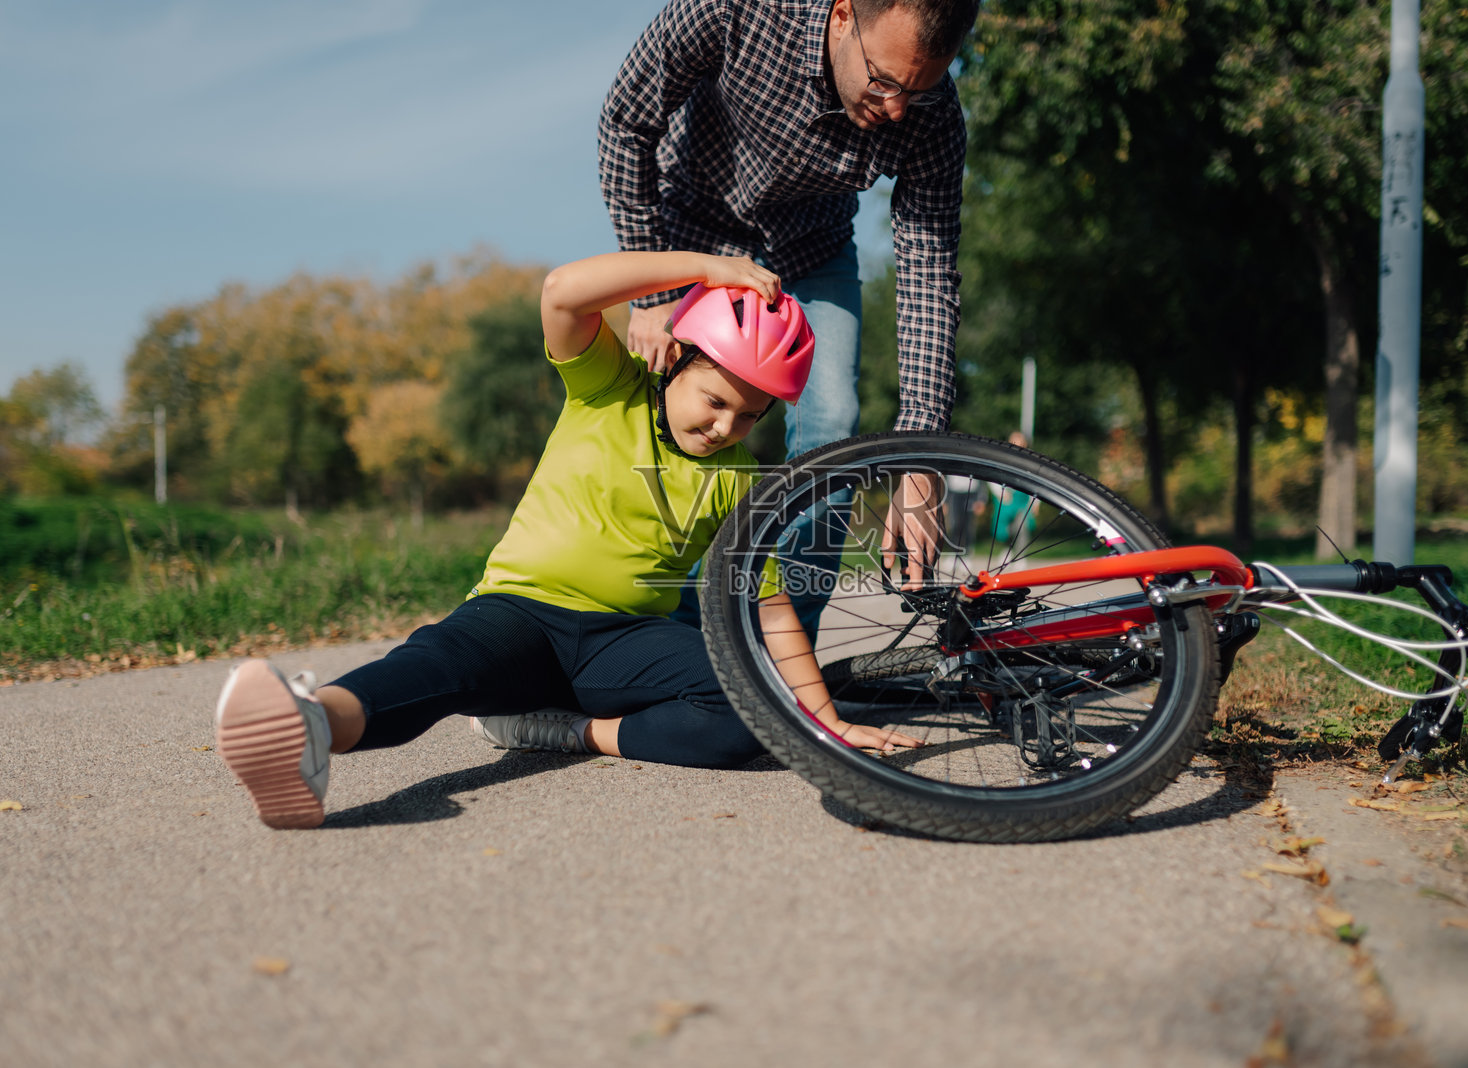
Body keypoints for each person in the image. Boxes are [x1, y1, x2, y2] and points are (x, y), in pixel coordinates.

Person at [213, 251, 921, 830]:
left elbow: (766, 608)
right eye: (714, 400)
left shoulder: (736, 478)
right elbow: (563, 292)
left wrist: (823, 724)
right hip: (520, 612)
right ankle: (310, 729)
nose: (724, 428)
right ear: (676, 360)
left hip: (621, 642)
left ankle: (558, 730)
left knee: (755, 707)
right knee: (435, 667)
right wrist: (709, 269)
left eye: (747, 417)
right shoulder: (607, 386)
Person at [599, 0, 981, 593]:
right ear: (843, 15)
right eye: (882, 81)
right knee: (684, 420)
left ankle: (779, 653)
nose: (897, 108)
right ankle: (667, 622)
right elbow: (628, 121)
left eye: (920, 89)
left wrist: (920, 451)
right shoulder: (736, 10)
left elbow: (928, 272)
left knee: (834, 420)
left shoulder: (933, 118)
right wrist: (650, 288)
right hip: (694, 234)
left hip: (813, 250)